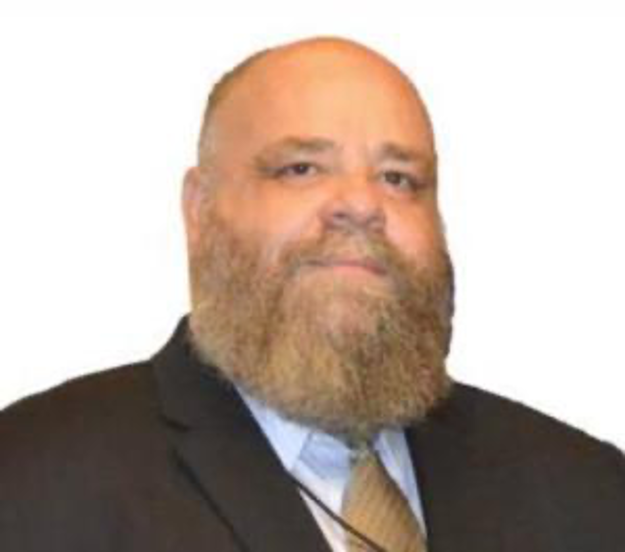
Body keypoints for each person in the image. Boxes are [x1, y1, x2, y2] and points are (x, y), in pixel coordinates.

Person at [1, 36, 624, 552]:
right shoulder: (31, 480)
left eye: (399, 178)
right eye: (300, 169)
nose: (360, 204)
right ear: (200, 210)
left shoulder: (588, 494)